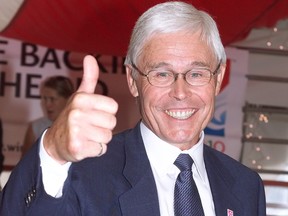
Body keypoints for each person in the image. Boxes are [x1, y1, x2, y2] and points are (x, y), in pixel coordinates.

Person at [0, 1, 266, 215]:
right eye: (161, 74)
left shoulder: (246, 186)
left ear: (218, 78)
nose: (180, 92)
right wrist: (53, 152)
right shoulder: (82, 173)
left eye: (197, 74)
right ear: (132, 80)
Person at [21, 75, 74, 156]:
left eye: (52, 99)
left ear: (68, 99)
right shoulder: (35, 127)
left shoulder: (79, 127)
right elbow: (25, 164)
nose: (47, 104)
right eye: (45, 99)